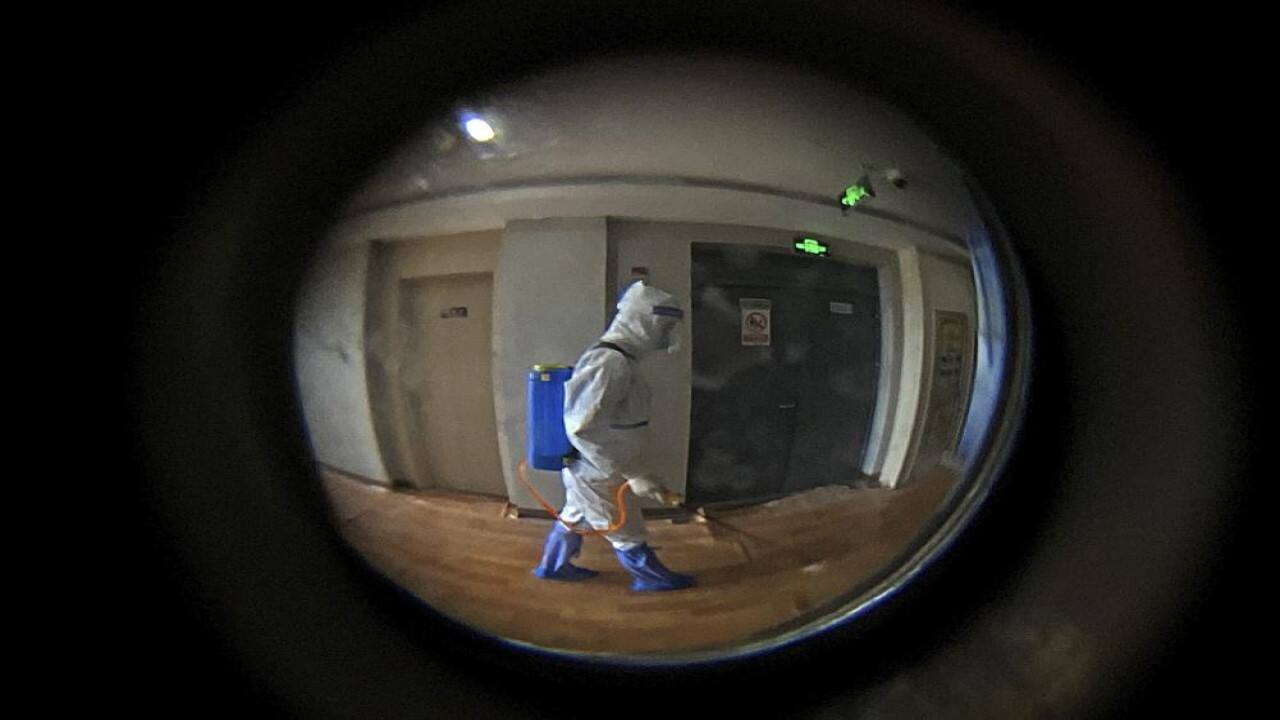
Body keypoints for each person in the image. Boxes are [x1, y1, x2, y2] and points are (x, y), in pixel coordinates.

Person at [532, 280, 695, 592]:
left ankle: (552, 567)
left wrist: (637, 469)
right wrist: (634, 472)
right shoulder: (610, 362)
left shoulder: (621, 360)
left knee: (574, 516)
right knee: (624, 529)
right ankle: (652, 580)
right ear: (642, 321)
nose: (665, 336)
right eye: (663, 326)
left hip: (599, 468)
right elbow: (583, 427)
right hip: (597, 472)